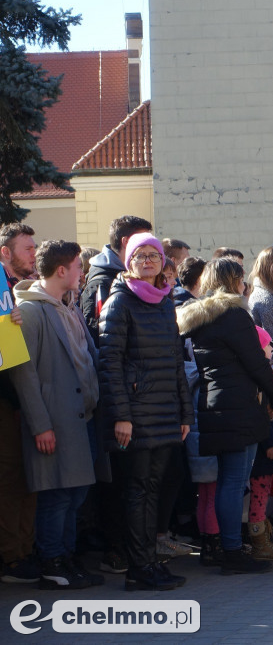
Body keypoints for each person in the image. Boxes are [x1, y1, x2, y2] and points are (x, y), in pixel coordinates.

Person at [175, 257, 273, 572]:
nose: (244, 285)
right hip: (239, 406)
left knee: (227, 480)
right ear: (233, 281)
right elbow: (256, 363)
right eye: (241, 279)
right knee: (234, 482)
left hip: (215, 405)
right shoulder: (234, 314)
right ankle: (232, 552)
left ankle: (229, 548)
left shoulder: (200, 316)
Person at [97, 233, 193, 591]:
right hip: (135, 415)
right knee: (137, 491)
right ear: (129, 262)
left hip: (165, 411)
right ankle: (138, 570)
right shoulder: (119, 303)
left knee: (153, 489)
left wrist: (185, 414)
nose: (149, 260)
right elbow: (110, 365)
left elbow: (175, 362)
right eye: (141, 255)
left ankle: (149, 562)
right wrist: (121, 416)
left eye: (154, 254)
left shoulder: (165, 302)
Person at [11, 240, 103, 590]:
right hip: (55, 422)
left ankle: (67, 559)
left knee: (75, 494)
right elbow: (24, 374)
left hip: (83, 418)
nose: (83, 272)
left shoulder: (69, 305)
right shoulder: (31, 312)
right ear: (61, 270)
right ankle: (53, 563)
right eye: (79, 266)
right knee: (57, 496)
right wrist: (41, 426)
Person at [0, 223, 37, 584]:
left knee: (28, 475)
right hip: (6, 397)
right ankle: (12, 557)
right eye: (28, 248)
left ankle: (26, 549)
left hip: (24, 397)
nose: (35, 254)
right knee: (11, 476)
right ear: (5, 253)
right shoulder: (3, 290)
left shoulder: (23, 290)